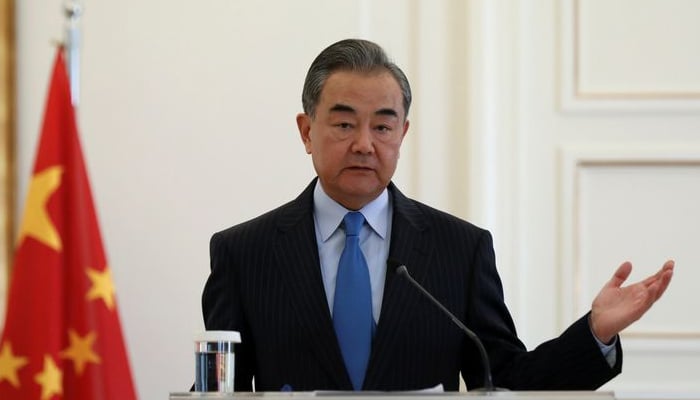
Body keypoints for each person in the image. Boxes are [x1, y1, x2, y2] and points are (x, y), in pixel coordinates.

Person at [201, 38, 674, 392]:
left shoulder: (459, 250)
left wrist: (595, 333)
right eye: (344, 124)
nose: (364, 143)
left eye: (382, 126)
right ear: (307, 131)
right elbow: (221, 392)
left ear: (402, 134)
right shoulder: (244, 254)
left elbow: (505, 378)